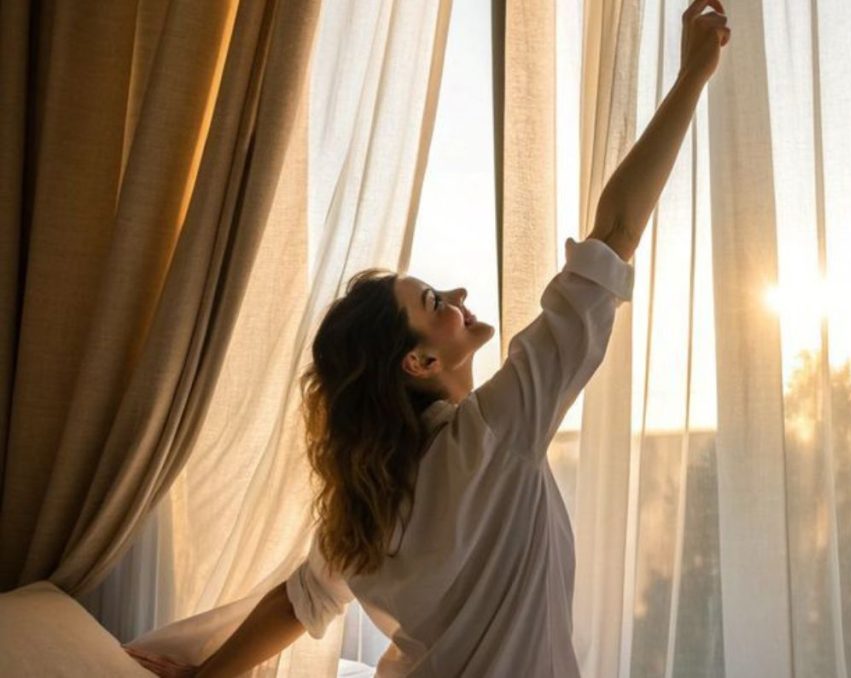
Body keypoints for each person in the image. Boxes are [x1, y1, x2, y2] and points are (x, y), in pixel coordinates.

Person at [194, 1, 729, 675]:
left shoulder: (368, 508)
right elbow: (615, 233)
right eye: (435, 302)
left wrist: (207, 677)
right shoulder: (496, 433)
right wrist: (692, 76)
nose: (461, 298)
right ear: (418, 360)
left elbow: (300, 603)